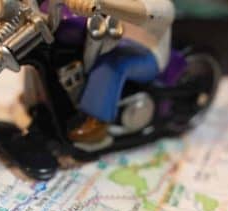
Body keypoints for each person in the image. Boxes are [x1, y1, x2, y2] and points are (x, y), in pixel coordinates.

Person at [42, 0, 176, 144]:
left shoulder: (162, 6)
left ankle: (97, 121)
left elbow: (139, 12)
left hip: (149, 54)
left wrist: (98, 3)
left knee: (111, 65)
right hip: (119, 39)